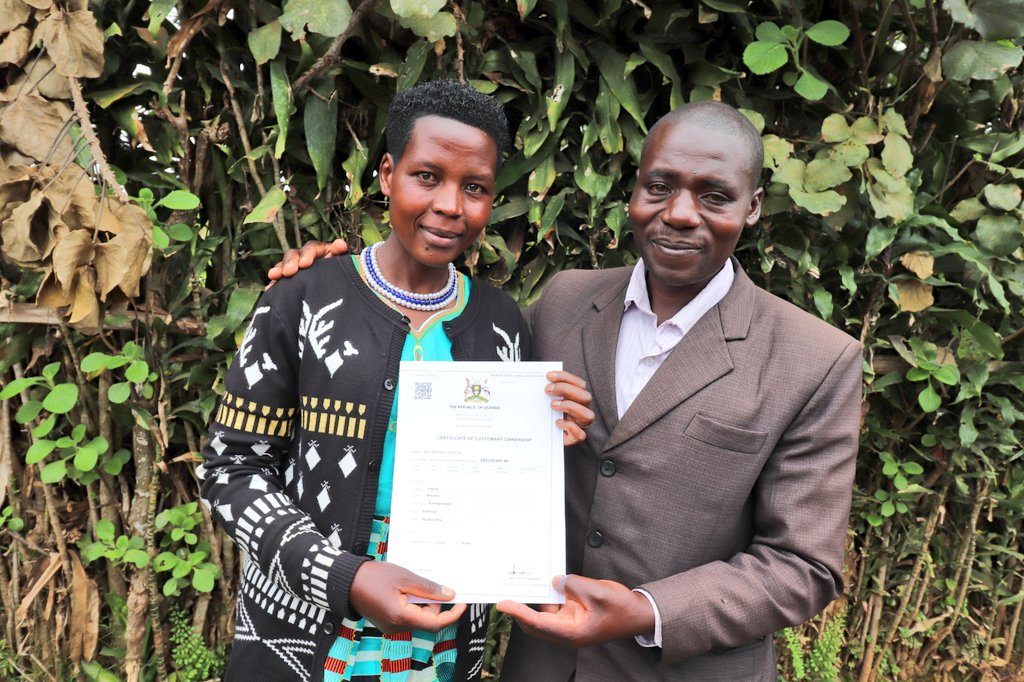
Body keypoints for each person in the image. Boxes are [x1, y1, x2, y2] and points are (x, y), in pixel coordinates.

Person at [270, 100, 863, 681]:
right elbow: (466, 387)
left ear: (753, 206)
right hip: (540, 665)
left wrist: (648, 611)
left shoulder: (815, 359)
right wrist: (333, 278)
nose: (680, 213)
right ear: (634, 192)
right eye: (660, 187)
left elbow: (803, 566)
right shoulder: (564, 302)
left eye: (714, 195)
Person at [200, 79, 594, 682]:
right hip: (304, 617)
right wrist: (345, 575)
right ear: (387, 174)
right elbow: (230, 468)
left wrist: (545, 439)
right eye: (427, 176)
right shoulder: (303, 298)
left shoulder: (501, 323)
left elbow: (500, 479)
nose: (450, 206)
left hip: (442, 620)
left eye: (476, 188)